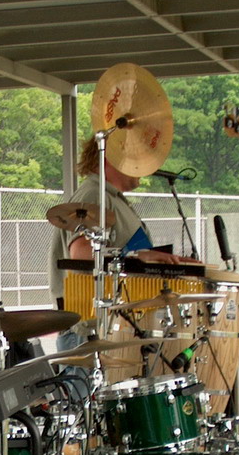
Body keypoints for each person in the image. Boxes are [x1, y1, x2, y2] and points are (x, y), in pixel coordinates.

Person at [48, 137, 197, 352]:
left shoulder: (111, 198)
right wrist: (138, 256)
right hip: (90, 328)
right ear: (109, 158)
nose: (141, 166)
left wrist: (164, 262)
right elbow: (81, 253)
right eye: (135, 158)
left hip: (110, 324)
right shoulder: (95, 195)